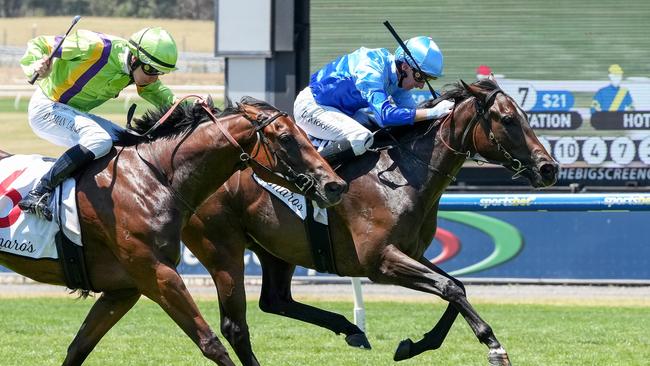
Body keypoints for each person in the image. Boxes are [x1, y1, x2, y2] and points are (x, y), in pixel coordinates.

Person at [18, 27, 178, 221]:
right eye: (151, 70)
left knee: (131, 141)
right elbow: (41, 44)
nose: (154, 77)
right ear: (134, 58)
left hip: (73, 112)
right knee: (99, 139)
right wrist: (38, 65)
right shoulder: (95, 46)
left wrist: (191, 105)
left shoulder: (137, 69)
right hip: (46, 108)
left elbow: (157, 92)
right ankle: (39, 192)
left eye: (160, 72)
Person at [293, 36, 454, 165]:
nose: (420, 85)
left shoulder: (398, 79)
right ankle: (309, 173)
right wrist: (432, 112)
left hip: (339, 110)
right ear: (405, 67)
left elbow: (412, 115)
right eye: (420, 77)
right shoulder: (370, 70)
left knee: (378, 130)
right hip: (313, 107)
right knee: (361, 137)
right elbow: (387, 115)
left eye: (427, 79)